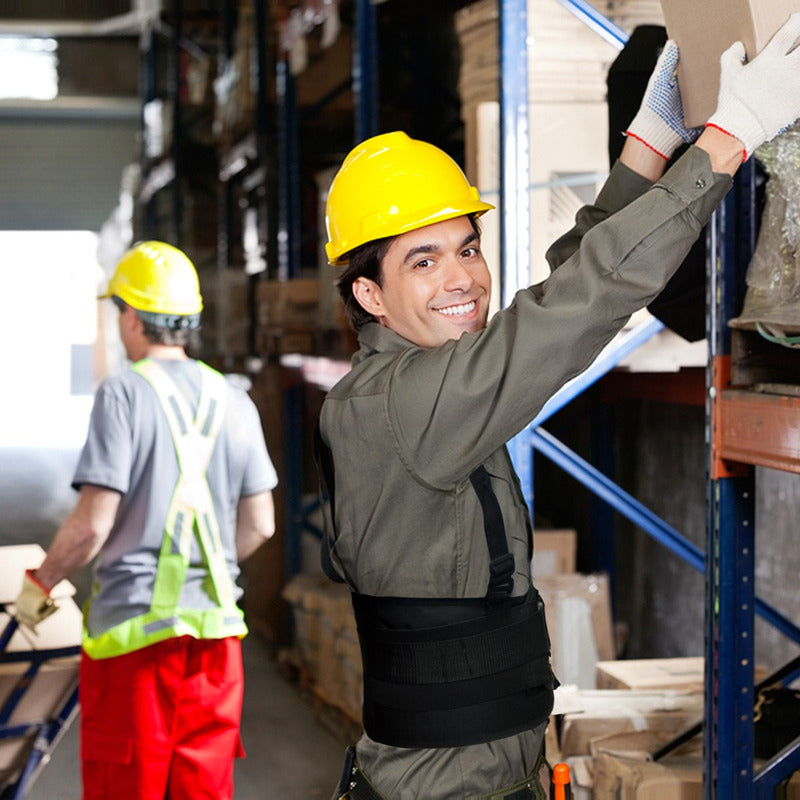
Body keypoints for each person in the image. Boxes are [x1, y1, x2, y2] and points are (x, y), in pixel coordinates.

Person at [315, 16, 800, 800]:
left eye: (467, 248)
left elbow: (561, 291)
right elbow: (574, 311)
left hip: (507, 776)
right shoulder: (394, 407)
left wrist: (646, 150)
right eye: (424, 262)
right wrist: (727, 140)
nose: (463, 280)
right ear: (369, 295)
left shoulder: (438, 375)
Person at [13, 241, 278, 800]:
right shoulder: (235, 400)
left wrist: (39, 587)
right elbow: (260, 525)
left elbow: (90, 526)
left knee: (127, 787)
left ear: (131, 317)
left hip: (135, 648)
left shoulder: (124, 393)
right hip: (216, 646)